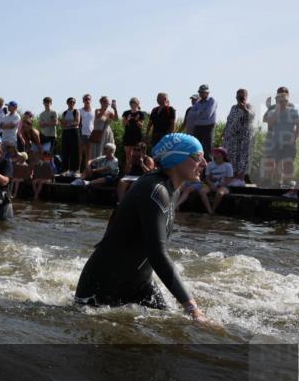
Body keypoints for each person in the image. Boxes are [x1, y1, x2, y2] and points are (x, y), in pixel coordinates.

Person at [75, 133, 209, 321]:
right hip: (103, 286)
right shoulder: (156, 191)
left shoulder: (173, 190)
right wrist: (193, 308)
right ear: (176, 158)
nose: (204, 164)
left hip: (139, 285)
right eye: (197, 157)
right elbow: (157, 254)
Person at [262, 88, 299, 187]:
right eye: (281, 101)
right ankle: (277, 182)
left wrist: (295, 138)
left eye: (285, 101)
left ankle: (288, 181)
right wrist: (276, 111)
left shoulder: (293, 111)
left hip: (290, 141)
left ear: (288, 101)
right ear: (277, 101)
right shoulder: (273, 111)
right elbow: (270, 123)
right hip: (276, 141)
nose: (283, 102)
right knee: (277, 162)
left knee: (289, 161)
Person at [221, 89, 254, 186]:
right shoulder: (233, 108)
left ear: (246, 97)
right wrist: (224, 132)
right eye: (238, 96)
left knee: (242, 158)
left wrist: (244, 109)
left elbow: (252, 117)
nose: (240, 98)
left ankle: (240, 179)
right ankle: (232, 179)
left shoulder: (249, 106)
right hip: (231, 138)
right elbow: (229, 121)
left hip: (242, 138)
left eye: (242, 96)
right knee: (231, 157)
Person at [185, 84, 217, 154]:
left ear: (207, 93)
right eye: (200, 92)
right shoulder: (198, 102)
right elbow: (191, 113)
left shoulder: (212, 100)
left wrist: (197, 114)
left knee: (207, 147)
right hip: (198, 126)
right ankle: (197, 163)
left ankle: (208, 163)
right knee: (196, 146)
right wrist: (200, 112)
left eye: (203, 92)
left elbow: (207, 114)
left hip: (208, 126)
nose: (201, 94)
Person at [87, 96, 117, 163]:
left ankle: (107, 165)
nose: (106, 103)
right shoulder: (97, 110)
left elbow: (116, 119)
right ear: (101, 102)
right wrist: (105, 108)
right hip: (99, 133)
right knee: (97, 150)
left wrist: (115, 109)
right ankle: (95, 165)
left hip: (107, 133)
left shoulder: (110, 112)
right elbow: (98, 116)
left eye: (107, 101)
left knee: (109, 149)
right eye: (104, 101)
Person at [204, 147, 234, 212]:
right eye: (215, 152)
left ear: (223, 155)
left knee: (220, 193)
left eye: (218, 152)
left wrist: (219, 186)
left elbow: (229, 180)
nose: (216, 153)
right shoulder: (210, 164)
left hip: (224, 186)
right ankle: (208, 209)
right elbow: (207, 178)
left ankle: (213, 210)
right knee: (202, 191)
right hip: (211, 185)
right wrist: (211, 184)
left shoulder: (228, 166)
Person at [120, 97, 147, 162]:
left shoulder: (141, 113)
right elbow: (123, 124)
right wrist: (128, 119)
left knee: (138, 154)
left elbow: (141, 126)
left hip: (137, 136)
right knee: (128, 155)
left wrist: (137, 120)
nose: (132, 104)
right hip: (128, 135)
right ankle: (128, 170)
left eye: (134, 103)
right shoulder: (126, 113)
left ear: (137, 104)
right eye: (131, 103)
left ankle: (138, 169)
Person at [60, 97, 81, 175]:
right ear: (67, 103)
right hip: (65, 132)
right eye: (70, 102)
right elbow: (62, 124)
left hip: (74, 132)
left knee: (74, 151)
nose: (72, 104)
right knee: (65, 151)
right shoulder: (64, 113)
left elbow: (77, 122)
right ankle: (65, 169)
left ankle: (75, 170)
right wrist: (70, 123)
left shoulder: (76, 111)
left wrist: (67, 123)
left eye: (73, 102)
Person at [78, 94, 95, 169]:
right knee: (80, 153)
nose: (87, 100)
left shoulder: (94, 111)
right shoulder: (79, 111)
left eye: (88, 99)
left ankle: (87, 170)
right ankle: (77, 170)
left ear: (91, 100)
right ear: (83, 101)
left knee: (89, 154)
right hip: (81, 133)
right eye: (85, 99)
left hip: (91, 134)